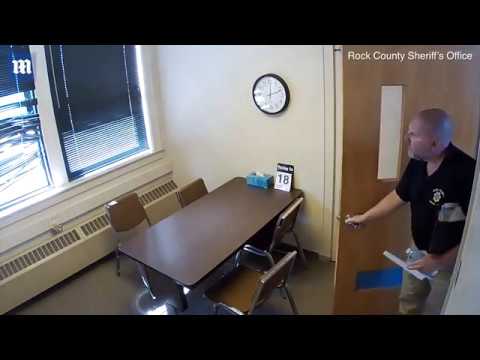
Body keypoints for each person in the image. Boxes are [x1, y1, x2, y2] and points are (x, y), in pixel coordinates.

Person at [346, 108, 476, 314]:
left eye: (413, 135)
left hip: (449, 261)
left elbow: (474, 234)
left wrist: (439, 261)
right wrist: (365, 217)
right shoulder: (418, 161)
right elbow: (398, 196)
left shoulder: (467, 173)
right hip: (418, 249)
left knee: (438, 307)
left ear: (434, 142)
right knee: (409, 299)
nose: (407, 138)